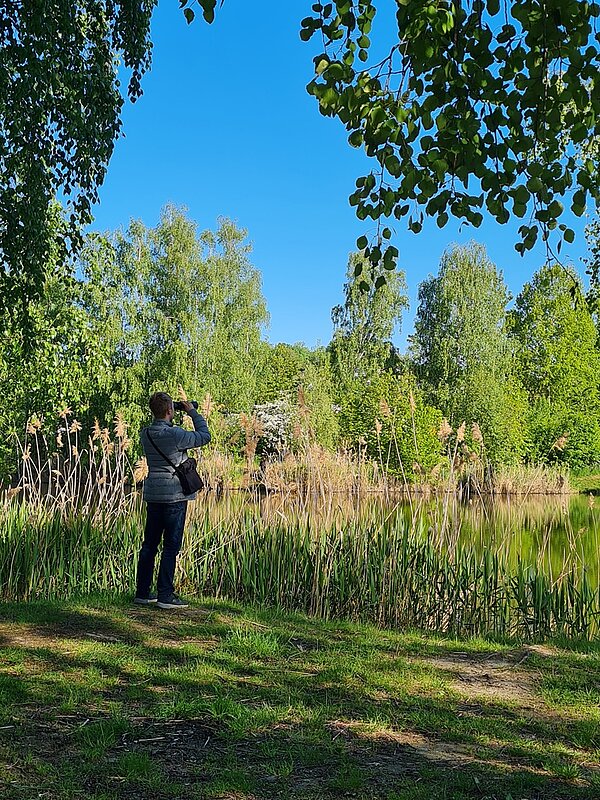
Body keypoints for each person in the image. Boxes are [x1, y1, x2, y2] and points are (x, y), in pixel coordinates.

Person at [134, 391, 211, 609]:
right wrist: (192, 412)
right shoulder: (176, 434)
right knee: (171, 546)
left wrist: (171, 412)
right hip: (175, 496)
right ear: (170, 410)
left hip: (154, 495)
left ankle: (142, 593)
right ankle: (165, 595)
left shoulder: (145, 433)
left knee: (149, 545)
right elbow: (204, 436)